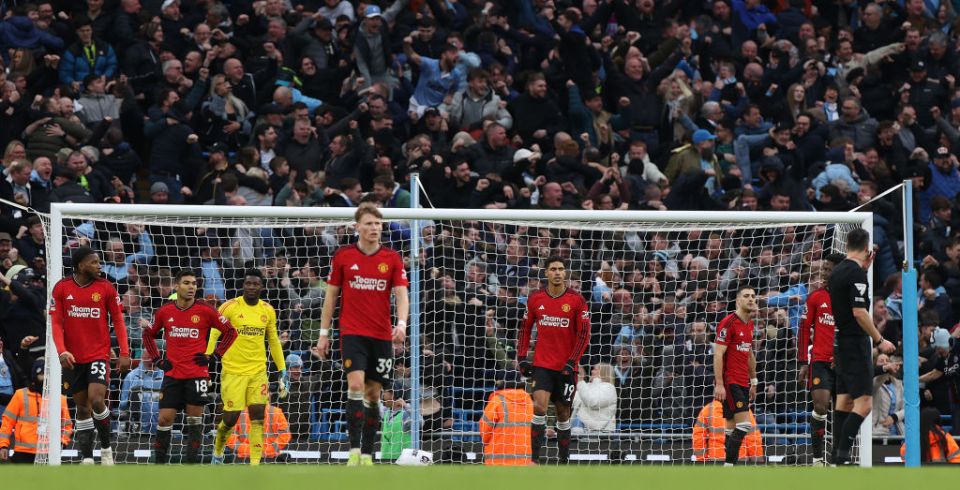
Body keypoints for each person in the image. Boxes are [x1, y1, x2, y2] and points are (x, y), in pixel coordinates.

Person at [316, 202, 410, 466]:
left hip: (381, 337)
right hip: (352, 333)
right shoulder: (344, 256)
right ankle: (354, 450)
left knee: (373, 395)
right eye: (369, 223)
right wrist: (324, 334)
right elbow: (331, 296)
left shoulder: (391, 258)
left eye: (378, 223)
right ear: (357, 227)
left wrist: (401, 324)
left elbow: (402, 295)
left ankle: (368, 454)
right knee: (355, 385)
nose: (374, 228)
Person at [144, 270, 238, 464]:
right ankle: (158, 467)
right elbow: (148, 334)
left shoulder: (205, 310)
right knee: (164, 420)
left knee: (194, 422)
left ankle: (191, 468)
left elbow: (230, 332)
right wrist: (157, 360)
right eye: (186, 283)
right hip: (172, 374)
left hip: (197, 375)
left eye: (194, 284)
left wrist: (215, 356)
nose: (191, 287)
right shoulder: (165, 311)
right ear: (176, 286)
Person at [50, 246, 130, 465]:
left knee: (96, 400)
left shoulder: (105, 287)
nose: (99, 265)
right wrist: (61, 351)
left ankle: (105, 449)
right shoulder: (61, 288)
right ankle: (86, 457)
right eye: (94, 262)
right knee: (83, 407)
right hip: (72, 358)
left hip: (98, 354)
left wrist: (124, 352)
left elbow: (119, 321)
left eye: (99, 262)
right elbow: (56, 322)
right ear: (80, 265)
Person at [207, 268, 288, 466]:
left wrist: (282, 369)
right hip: (233, 371)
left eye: (255, 284)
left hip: (258, 371)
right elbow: (214, 333)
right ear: (243, 285)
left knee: (258, 416)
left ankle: (254, 465)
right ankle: (217, 451)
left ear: (262, 287)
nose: (251, 287)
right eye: (248, 283)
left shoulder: (267, 310)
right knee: (230, 418)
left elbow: (274, 341)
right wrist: (207, 356)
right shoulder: (229, 307)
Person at [828, 228, 896, 465]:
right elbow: (859, 312)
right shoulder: (856, 273)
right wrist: (879, 339)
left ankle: (836, 454)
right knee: (864, 404)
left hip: (840, 341)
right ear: (867, 247)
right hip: (855, 342)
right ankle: (843, 456)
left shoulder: (837, 272)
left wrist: (864, 270)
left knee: (845, 401)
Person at [515, 256, 591, 464]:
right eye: (553, 269)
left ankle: (563, 461)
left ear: (565, 273)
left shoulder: (577, 301)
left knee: (562, 413)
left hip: (567, 367)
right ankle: (535, 460)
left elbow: (584, 335)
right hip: (542, 365)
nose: (557, 272)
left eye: (561, 269)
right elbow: (524, 330)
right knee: (539, 407)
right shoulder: (535, 299)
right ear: (546, 273)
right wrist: (522, 357)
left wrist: (572, 361)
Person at [797, 256, 842, 465]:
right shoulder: (816, 297)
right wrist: (803, 362)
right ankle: (816, 459)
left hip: (842, 363)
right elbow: (804, 329)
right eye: (823, 269)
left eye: (828, 269)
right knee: (821, 406)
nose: (824, 273)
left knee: (841, 412)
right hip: (819, 361)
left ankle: (835, 460)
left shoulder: (849, 298)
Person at [713, 285, 759, 466]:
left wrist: (754, 381)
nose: (751, 299)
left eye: (753, 296)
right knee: (745, 425)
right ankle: (729, 466)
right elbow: (718, 354)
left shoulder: (749, 324)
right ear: (738, 300)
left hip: (743, 382)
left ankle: (727, 466)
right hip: (730, 381)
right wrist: (719, 383)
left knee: (731, 428)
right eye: (746, 296)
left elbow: (749, 354)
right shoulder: (728, 322)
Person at [0, 358, 72, 463]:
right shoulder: (20, 395)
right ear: (34, 375)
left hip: (49, 453)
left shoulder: (60, 399)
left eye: (47, 374)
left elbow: (67, 425)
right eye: (41, 373)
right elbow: (7, 422)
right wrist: (3, 445)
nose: (44, 378)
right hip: (23, 452)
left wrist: (62, 443)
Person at [479, 370, 533, 466]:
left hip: (497, 460)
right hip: (523, 461)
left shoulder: (497, 401)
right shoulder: (528, 401)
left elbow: (485, 430)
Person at [691, 400, 763, 463]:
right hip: (739, 460)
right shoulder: (743, 409)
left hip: (716, 459)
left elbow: (698, 437)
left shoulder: (708, 409)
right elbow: (753, 439)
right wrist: (757, 460)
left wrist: (701, 460)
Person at [226, 402, 291, 463]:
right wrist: (245, 449)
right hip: (246, 458)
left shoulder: (276, 412)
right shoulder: (239, 413)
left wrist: (268, 450)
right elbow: (229, 436)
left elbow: (285, 435)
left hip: (270, 457)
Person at [572, 363, 618, 432]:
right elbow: (574, 402)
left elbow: (593, 403)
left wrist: (581, 381)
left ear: (604, 372)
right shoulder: (587, 385)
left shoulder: (609, 388)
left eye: (595, 369)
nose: (592, 371)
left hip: (601, 433)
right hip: (581, 429)